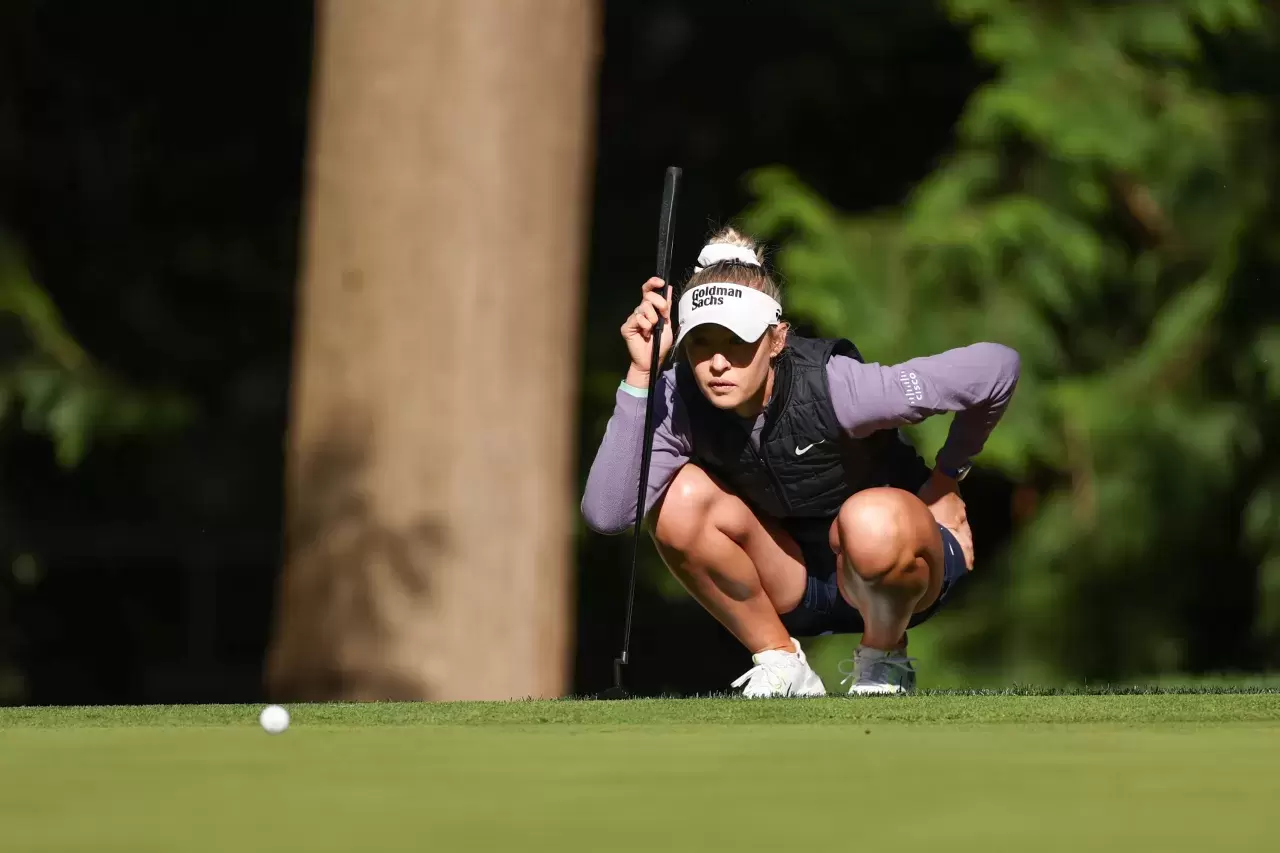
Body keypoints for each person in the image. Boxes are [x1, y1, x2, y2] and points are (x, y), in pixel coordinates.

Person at [581, 227, 1020, 696]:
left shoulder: (841, 388)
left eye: (738, 342)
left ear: (776, 341)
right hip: (790, 581)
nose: (717, 363)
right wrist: (643, 373)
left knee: (869, 520)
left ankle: (884, 661)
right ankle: (781, 663)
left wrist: (948, 478)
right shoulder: (679, 400)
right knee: (677, 501)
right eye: (700, 343)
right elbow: (608, 513)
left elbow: (997, 368)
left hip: (898, 567)